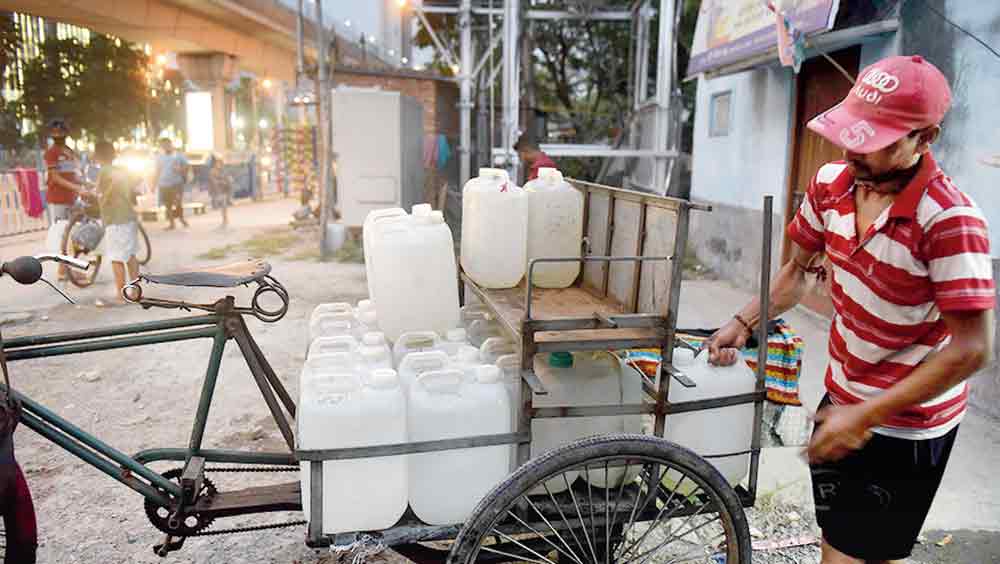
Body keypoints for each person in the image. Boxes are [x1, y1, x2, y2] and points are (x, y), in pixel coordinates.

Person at [706, 55, 995, 564]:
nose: (851, 149)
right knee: (851, 544)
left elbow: (973, 350)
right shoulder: (830, 184)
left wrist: (865, 416)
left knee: (849, 554)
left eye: (874, 140)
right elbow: (796, 271)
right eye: (853, 132)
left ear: (924, 138)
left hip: (906, 426)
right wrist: (742, 322)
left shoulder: (951, 220)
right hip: (841, 400)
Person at [93, 141, 141, 307]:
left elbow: (98, 192)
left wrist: (93, 195)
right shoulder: (122, 171)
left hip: (115, 219)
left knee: (116, 257)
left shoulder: (104, 171)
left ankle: (121, 294)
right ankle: (135, 291)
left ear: (97, 156)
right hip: (129, 216)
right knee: (130, 255)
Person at [43, 119, 90, 280]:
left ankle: (67, 269)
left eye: (61, 132)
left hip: (72, 197)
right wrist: (77, 187)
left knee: (71, 235)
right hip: (58, 198)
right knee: (61, 234)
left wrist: (85, 184)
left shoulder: (69, 151)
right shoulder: (51, 153)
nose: (58, 135)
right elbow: (55, 177)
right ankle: (62, 271)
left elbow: (74, 174)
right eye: (55, 132)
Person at [153, 137, 189, 230]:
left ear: (171, 144)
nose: (165, 147)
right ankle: (172, 223)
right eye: (163, 145)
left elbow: (186, 166)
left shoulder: (178, 155)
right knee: (168, 204)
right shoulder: (159, 157)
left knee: (178, 202)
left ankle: (181, 218)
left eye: (167, 144)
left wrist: (180, 169)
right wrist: (154, 183)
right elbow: (157, 170)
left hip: (176, 183)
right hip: (164, 183)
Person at [206, 154, 233, 229]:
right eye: (217, 163)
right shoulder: (212, 171)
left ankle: (225, 219)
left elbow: (228, 179)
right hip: (217, 190)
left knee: (223, 205)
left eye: (220, 163)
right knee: (221, 204)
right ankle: (224, 219)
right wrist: (221, 182)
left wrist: (227, 182)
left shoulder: (223, 170)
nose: (219, 164)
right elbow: (213, 181)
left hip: (223, 190)